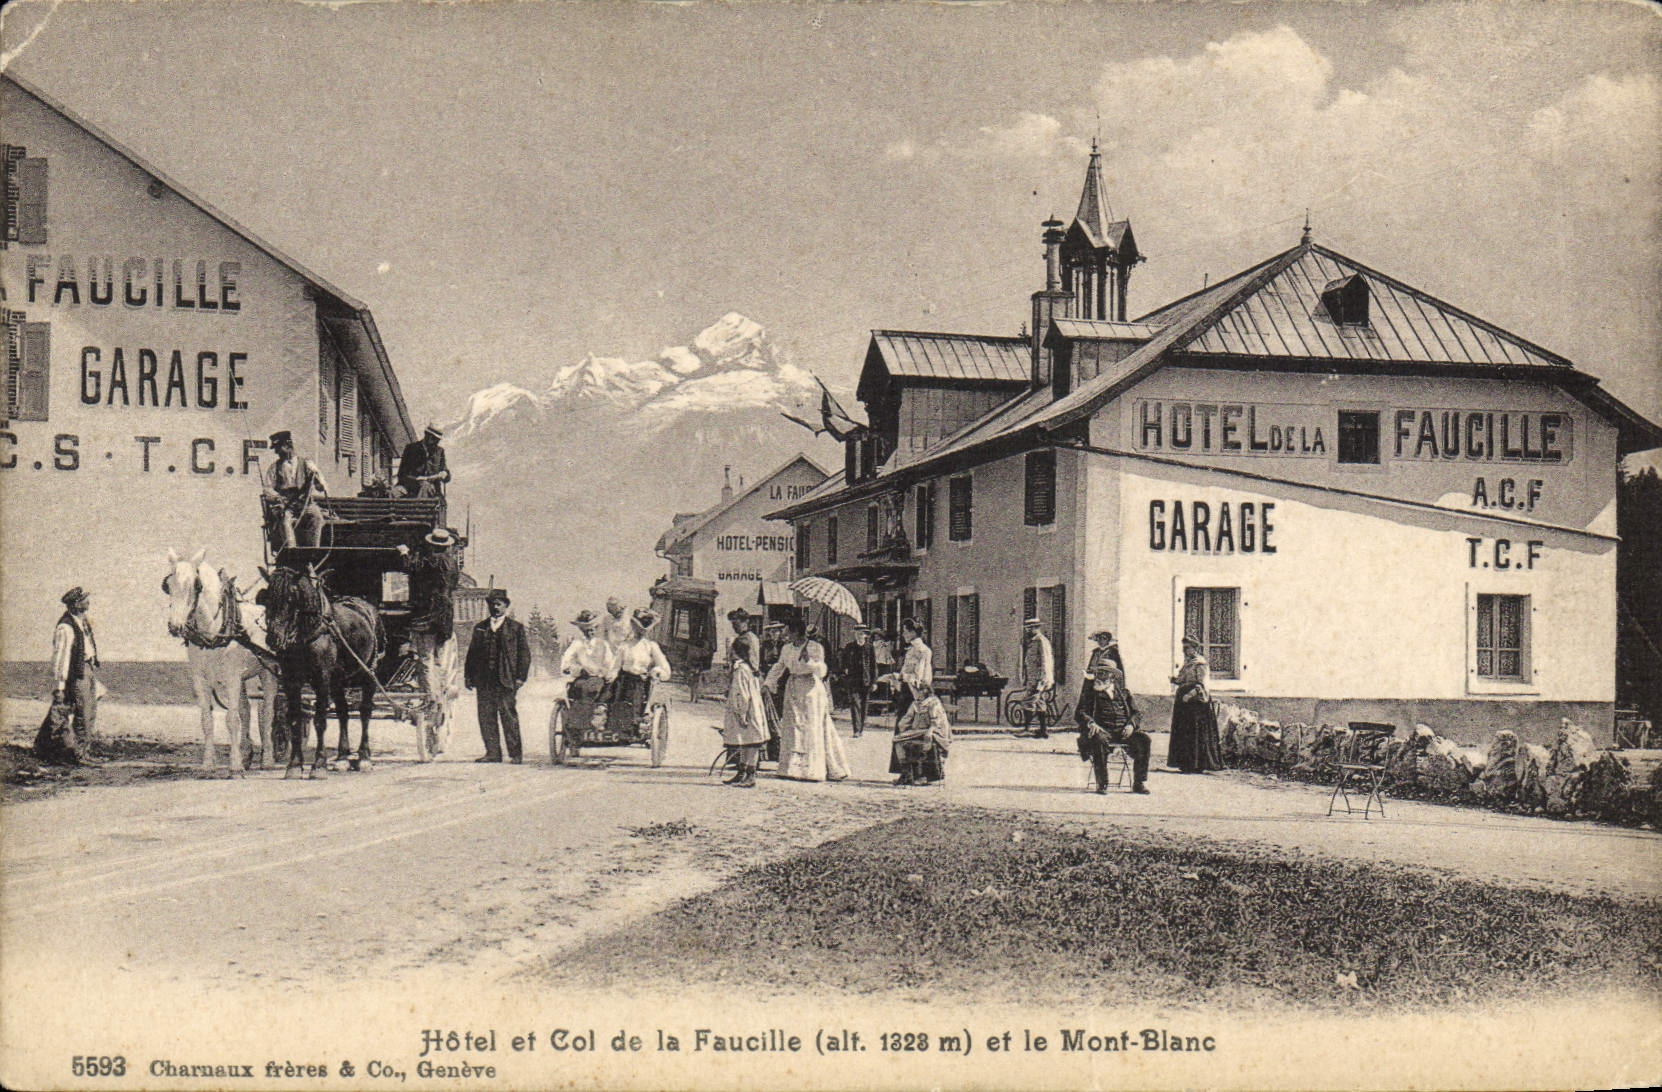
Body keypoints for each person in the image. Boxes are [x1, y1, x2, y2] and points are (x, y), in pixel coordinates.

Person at [764, 618, 849, 782]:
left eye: (788, 631)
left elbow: (822, 671)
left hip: (811, 690)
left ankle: (812, 769)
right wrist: (768, 682)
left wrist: (809, 660)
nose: (785, 635)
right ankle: (791, 768)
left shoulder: (815, 647)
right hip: (793, 688)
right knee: (793, 726)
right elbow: (780, 666)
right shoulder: (787, 648)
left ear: (796, 632)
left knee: (811, 727)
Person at [1076, 630, 1150, 795]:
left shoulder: (1123, 693)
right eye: (1098, 673)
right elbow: (1080, 712)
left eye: (1104, 673)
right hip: (1103, 731)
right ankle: (1102, 783)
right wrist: (1090, 723)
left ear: (1112, 677)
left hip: (1123, 731)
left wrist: (1131, 725)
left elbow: (1136, 713)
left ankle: (1139, 782)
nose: (1100, 676)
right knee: (1099, 740)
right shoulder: (1091, 693)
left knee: (1144, 740)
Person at [463, 590, 531, 763]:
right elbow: (472, 654)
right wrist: (469, 677)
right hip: (484, 680)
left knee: (508, 717)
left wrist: (521, 677)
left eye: (499, 604)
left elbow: (524, 654)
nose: (495, 607)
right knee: (486, 717)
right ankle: (493, 753)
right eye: (492, 604)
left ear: (506, 606)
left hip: (506, 680)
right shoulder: (480, 627)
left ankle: (515, 755)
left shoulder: (515, 628)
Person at [39, 587, 100, 763]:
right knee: (83, 712)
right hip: (77, 674)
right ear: (75, 604)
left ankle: (81, 751)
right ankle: (79, 755)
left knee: (89, 711)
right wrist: (60, 686)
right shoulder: (66, 627)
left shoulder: (82, 621)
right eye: (84, 600)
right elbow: (61, 659)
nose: (87, 602)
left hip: (86, 669)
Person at [720, 609, 769, 788]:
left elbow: (742, 690)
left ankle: (750, 774)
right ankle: (741, 772)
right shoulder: (741, 665)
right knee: (742, 737)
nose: (734, 626)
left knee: (749, 736)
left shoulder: (748, 648)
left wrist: (741, 709)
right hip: (748, 693)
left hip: (746, 700)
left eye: (736, 623)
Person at [606, 609, 672, 734]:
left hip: (640, 681)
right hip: (623, 679)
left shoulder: (651, 646)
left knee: (635, 697)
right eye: (638, 627)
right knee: (612, 695)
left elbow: (665, 669)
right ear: (633, 626)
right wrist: (611, 675)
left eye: (644, 629)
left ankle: (634, 726)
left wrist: (657, 671)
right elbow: (616, 666)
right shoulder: (624, 645)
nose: (641, 631)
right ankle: (613, 726)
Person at [261, 430, 329, 549]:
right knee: (285, 521)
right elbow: (267, 489)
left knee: (317, 517)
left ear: (288, 446)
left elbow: (321, 487)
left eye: (278, 448)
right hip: (287, 506)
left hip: (305, 505)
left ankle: (312, 552)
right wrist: (278, 498)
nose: (277, 452)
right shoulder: (274, 467)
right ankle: (292, 552)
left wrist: (316, 478)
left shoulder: (307, 464)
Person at [1167, 634, 1224, 773]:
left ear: (1194, 648)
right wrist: (1175, 680)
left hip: (1195, 703)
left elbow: (1201, 684)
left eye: (1187, 648)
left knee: (1196, 732)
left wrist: (1189, 695)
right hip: (1184, 703)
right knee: (1185, 732)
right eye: (1184, 648)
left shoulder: (1200, 663)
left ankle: (1198, 764)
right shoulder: (1188, 663)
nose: (1185, 651)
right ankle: (1186, 763)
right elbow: (1183, 679)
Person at [560, 609, 614, 746]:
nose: (590, 632)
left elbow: (610, 663)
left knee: (594, 688)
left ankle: (592, 721)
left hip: (599, 678)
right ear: (582, 631)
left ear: (596, 628)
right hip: (582, 677)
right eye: (586, 630)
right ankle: (577, 725)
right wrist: (572, 668)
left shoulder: (603, 645)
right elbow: (566, 660)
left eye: (593, 629)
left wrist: (606, 672)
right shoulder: (577, 644)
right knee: (578, 689)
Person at [891, 679, 952, 786]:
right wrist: (902, 727)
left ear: (924, 691)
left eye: (918, 691)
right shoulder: (915, 703)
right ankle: (906, 773)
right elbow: (907, 718)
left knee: (926, 743)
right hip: (918, 731)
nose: (916, 693)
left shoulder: (933, 702)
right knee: (898, 741)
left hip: (935, 731)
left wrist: (930, 731)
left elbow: (936, 721)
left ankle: (924, 775)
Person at [837, 625, 877, 738]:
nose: (859, 635)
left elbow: (874, 665)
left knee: (864, 705)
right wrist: (844, 671)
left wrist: (874, 682)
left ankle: (861, 728)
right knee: (855, 703)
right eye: (857, 633)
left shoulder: (869, 647)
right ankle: (856, 730)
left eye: (861, 634)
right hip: (853, 680)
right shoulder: (849, 647)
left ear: (865, 635)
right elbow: (843, 661)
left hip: (866, 680)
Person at [1020, 616, 1056, 739]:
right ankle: (1043, 731)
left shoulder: (1041, 641)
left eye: (1030, 628)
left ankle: (1027, 729)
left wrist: (1043, 680)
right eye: (1026, 628)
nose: (1027, 631)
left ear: (1036, 628)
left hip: (1038, 679)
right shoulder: (1033, 641)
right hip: (1033, 678)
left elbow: (1046, 661)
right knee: (1040, 703)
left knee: (1027, 701)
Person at [895, 618, 932, 727]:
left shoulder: (921, 650)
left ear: (913, 632)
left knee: (906, 723)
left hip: (914, 691)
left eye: (905, 631)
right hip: (908, 689)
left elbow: (921, 676)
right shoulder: (912, 649)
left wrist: (902, 676)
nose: (903, 634)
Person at [397, 423, 450, 499]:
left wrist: (444, 473)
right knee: (393, 493)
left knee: (425, 486)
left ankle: (419, 509)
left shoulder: (439, 451)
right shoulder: (411, 449)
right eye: (433, 439)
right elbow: (401, 474)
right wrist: (416, 479)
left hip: (431, 489)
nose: (436, 442)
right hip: (410, 487)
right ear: (426, 435)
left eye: (438, 440)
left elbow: (445, 472)